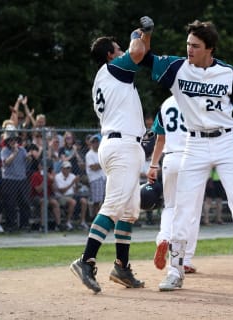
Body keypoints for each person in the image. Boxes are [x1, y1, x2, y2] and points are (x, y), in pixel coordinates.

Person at [142, 20, 233, 291]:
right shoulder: (176, 68)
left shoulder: (228, 73)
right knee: (183, 208)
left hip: (227, 143)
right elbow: (145, 57)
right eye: (187, 44)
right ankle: (175, 270)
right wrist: (146, 34)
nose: (189, 50)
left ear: (210, 49)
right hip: (192, 145)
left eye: (195, 46)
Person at [70, 16, 153, 294]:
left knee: (128, 213)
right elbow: (137, 52)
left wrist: (146, 34)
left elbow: (141, 52)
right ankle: (86, 260)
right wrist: (138, 33)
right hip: (122, 147)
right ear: (110, 54)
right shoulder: (113, 67)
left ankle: (121, 266)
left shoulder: (108, 77)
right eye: (118, 49)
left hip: (121, 144)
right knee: (114, 206)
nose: (123, 52)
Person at [146, 96, 201, 274]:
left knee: (170, 206)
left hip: (170, 158)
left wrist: (153, 165)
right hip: (192, 158)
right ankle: (185, 259)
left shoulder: (166, 103)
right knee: (191, 211)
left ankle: (163, 238)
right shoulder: (197, 98)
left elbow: (160, 139)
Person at [0, 126, 33, 232]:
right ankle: (10, 225)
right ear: (7, 141)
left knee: (25, 202)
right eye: (10, 140)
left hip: (21, 179)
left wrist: (28, 156)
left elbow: (28, 159)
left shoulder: (22, 149)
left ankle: (24, 224)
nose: (13, 142)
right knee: (10, 203)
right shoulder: (4, 151)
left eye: (14, 140)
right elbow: (6, 163)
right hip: (9, 179)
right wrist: (14, 153)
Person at [54, 160, 88, 231]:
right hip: (62, 197)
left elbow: (75, 190)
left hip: (72, 195)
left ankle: (82, 222)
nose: (68, 170)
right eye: (66, 168)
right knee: (72, 202)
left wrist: (77, 184)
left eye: (69, 168)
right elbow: (62, 191)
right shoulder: (58, 176)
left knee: (84, 201)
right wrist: (72, 183)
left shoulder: (72, 176)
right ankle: (68, 222)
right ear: (62, 169)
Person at [29, 159, 62, 231]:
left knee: (55, 203)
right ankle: (43, 225)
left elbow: (54, 190)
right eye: (42, 166)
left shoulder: (49, 175)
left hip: (48, 196)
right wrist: (45, 180)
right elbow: (38, 190)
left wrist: (53, 180)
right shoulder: (35, 175)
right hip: (37, 197)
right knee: (44, 201)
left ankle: (58, 225)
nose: (44, 168)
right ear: (39, 166)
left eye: (46, 166)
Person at [85, 134, 106, 220]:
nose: (95, 143)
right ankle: (95, 220)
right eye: (93, 142)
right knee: (97, 201)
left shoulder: (101, 152)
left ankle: (103, 219)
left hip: (104, 178)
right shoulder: (89, 154)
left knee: (105, 201)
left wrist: (100, 164)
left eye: (97, 141)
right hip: (95, 179)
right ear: (90, 144)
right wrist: (103, 163)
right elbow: (93, 167)